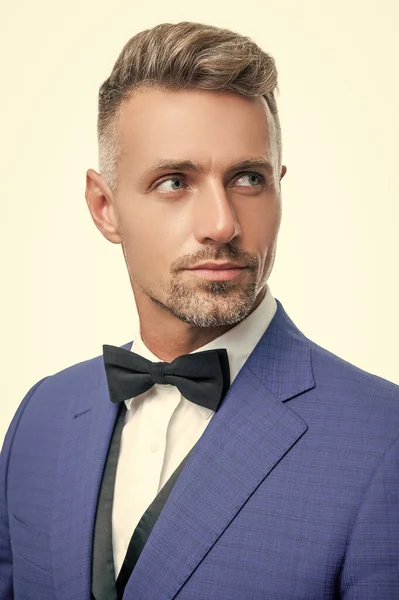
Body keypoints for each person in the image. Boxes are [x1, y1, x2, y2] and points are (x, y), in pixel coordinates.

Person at [1, 20, 398, 600]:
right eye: (174, 182)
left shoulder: (384, 438)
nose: (222, 224)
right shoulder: (41, 416)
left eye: (247, 178)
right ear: (104, 207)